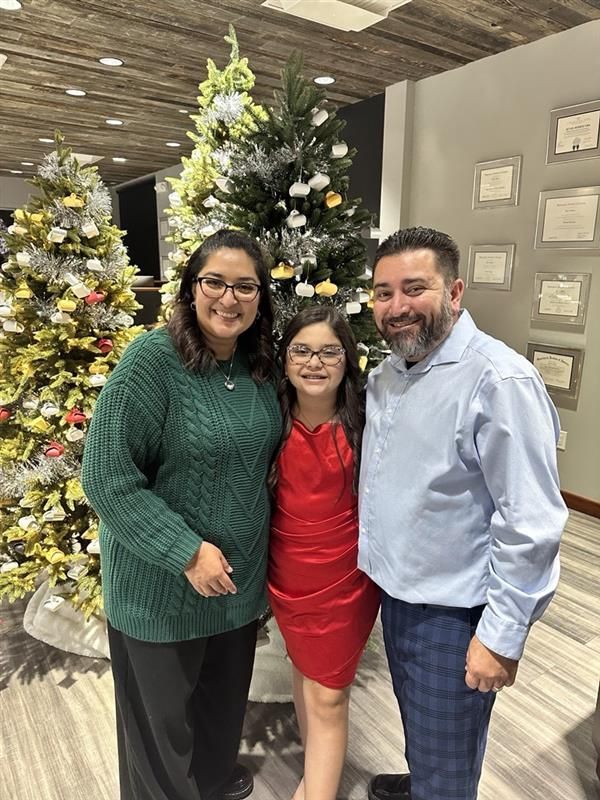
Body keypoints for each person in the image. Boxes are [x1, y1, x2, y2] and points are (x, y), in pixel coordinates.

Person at [359, 227, 568, 800]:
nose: (397, 307)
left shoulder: (498, 381)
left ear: (455, 293)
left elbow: (530, 524)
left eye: (414, 289)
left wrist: (501, 636)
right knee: (424, 724)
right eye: (383, 292)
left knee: (449, 754)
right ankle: (425, 778)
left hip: (454, 613)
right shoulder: (385, 378)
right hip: (399, 597)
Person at [81, 229, 282, 800]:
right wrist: (185, 551)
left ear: (260, 297)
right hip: (160, 591)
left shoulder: (259, 367)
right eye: (215, 281)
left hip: (236, 589)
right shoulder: (152, 361)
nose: (229, 298)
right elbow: (106, 478)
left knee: (220, 718)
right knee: (160, 743)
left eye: (246, 286)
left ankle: (213, 782)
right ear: (191, 288)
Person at [268, 306, 380, 800]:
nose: (315, 363)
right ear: (286, 359)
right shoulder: (267, 417)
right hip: (287, 575)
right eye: (302, 351)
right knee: (303, 672)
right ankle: (317, 773)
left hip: (347, 579)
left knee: (330, 694)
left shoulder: (368, 420)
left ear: (347, 359)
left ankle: (319, 792)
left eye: (330, 351)